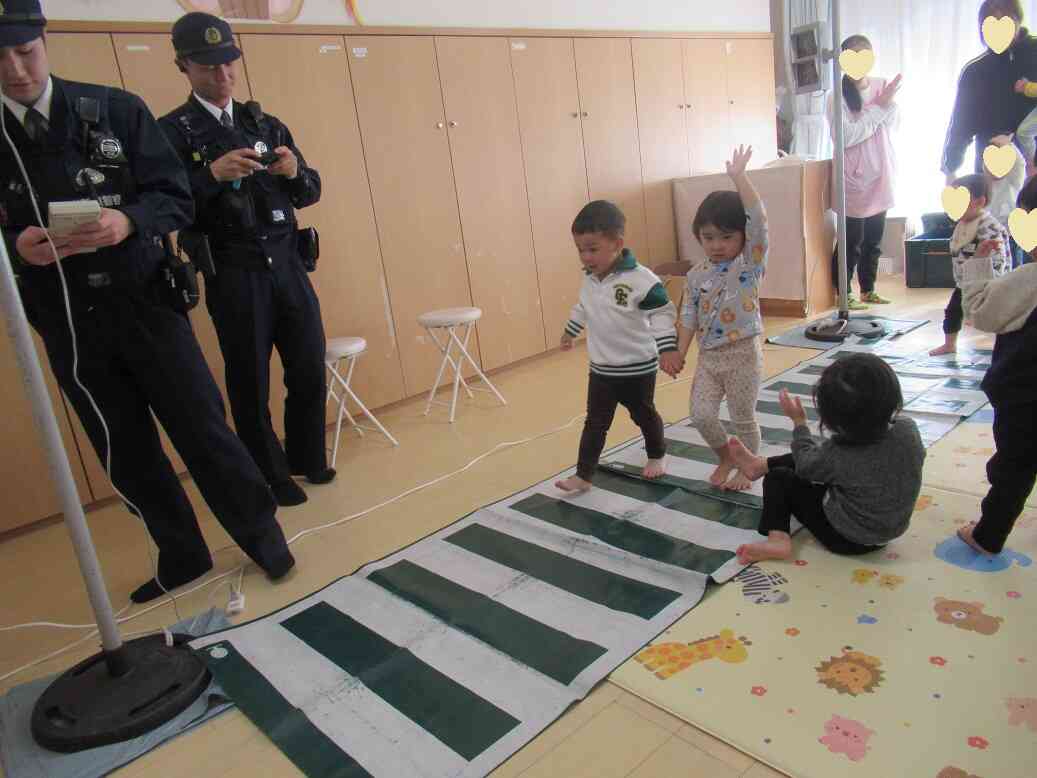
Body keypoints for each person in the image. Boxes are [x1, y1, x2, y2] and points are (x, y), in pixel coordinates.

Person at [0, 1, 294, 603]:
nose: (15, 70)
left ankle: (263, 539)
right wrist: (13, 246)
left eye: (25, 52)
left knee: (204, 428)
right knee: (123, 448)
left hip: (145, 303)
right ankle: (181, 553)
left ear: (43, 41)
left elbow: (176, 197)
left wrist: (128, 223)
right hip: (67, 317)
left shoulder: (114, 110)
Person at [159, 13, 333, 508]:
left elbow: (310, 191)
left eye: (229, 63)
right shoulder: (172, 133)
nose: (223, 75)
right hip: (234, 271)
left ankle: (307, 458)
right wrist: (210, 175)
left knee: (306, 367)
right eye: (209, 66)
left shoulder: (264, 122)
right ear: (184, 66)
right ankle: (271, 474)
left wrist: (297, 171)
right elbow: (164, 207)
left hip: (288, 261)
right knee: (249, 379)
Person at [726, 355, 925, 565]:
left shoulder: (838, 453)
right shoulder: (908, 429)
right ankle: (759, 465)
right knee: (823, 460)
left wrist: (799, 423)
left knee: (780, 478)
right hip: (891, 530)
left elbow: (804, 463)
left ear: (831, 418)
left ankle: (778, 539)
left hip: (844, 538)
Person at [555, 200, 680, 494]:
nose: (586, 257)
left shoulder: (641, 280)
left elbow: (662, 312)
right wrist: (569, 331)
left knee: (643, 414)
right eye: (580, 250)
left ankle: (657, 454)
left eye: (592, 248)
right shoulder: (589, 279)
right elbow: (583, 307)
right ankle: (584, 475)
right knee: (595, 423)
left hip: (638, 366)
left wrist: (667, 349)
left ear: (617, 243)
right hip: (602, 368)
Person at [676, 145, 767, 492]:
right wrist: (680, 352)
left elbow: (758, 220)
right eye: (708, 237)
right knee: (700, 415)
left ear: (743, 238)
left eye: (726, 237)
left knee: (743, 418)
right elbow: (688, 314)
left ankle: (751, 466)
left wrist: (740, 178)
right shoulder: (696, 274)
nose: (716, 245)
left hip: (744, 355)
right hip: (710, 358)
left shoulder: (749, 265)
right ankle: (725, 456)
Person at [957, 174, 1037, 555]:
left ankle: (987, 536)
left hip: (1024, 396)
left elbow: (981, 312)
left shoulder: (1029, 280)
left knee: (1014, 468)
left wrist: (979, 266)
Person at [827, 35, 902, 309]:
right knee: (850, 241)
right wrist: (879, 108)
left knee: (874, 238)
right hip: (853, 177)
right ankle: (843, 292)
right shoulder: (836, 96)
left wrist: (886, 105)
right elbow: (846, 136)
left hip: (881, 172)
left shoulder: (882, 86)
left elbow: (893, 122)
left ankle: (868, 289)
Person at [942, 0, 1037, 183]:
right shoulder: (975, 71)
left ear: (1017, 20)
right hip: (993, 169)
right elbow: (961, 124)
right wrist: (950, 169)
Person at [929, 174, 1010, 356]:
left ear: (979, 202)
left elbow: (999, 258)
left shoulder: (988, 226)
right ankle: (950, 344)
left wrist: (993, 278)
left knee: (1000, 317)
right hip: (963, 282)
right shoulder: (962, 224)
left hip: (988, 283)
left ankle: (1004, 347)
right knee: (952, 312)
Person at [986, 132, 1027, 268]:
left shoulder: (1012, 181)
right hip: (991, 238)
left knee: (1014, 268)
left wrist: (1009, 145)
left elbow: (1020, 164)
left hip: (1011, 237)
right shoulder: (985, 186)